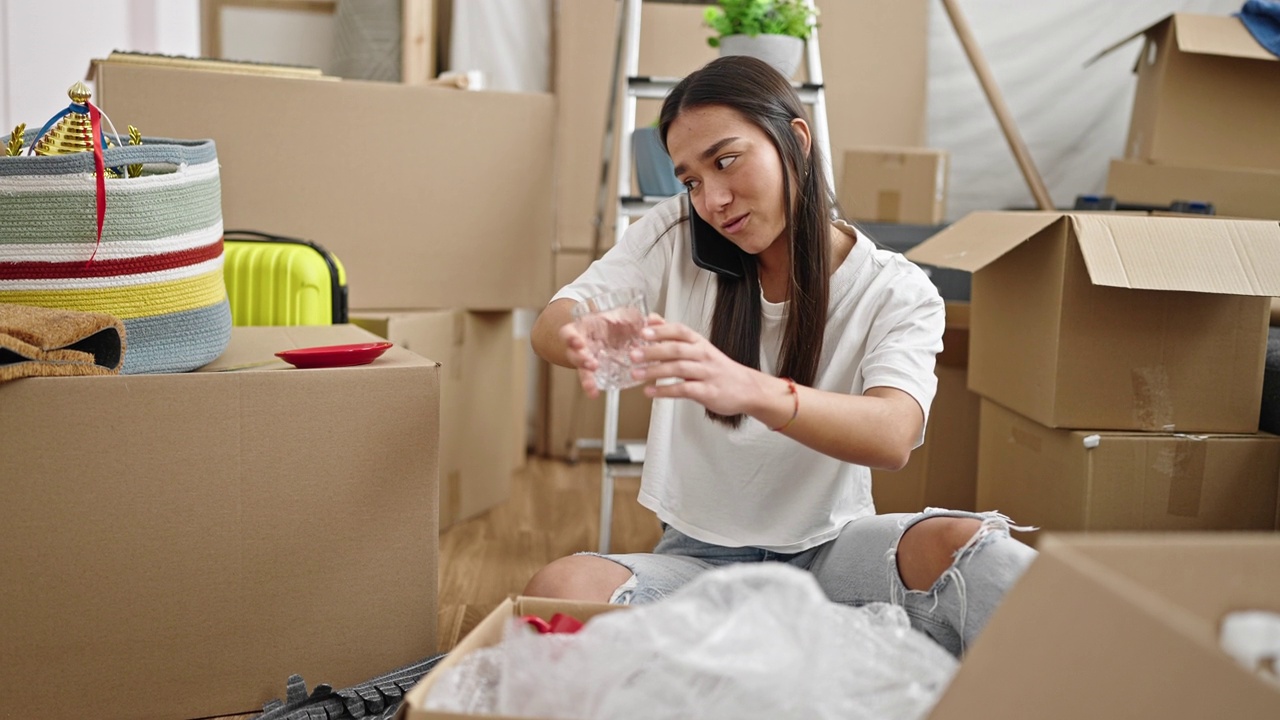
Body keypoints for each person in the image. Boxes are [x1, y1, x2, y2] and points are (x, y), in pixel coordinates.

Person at [525, 55, 1035, 657]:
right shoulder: (674, 235)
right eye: (690, 180)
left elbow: (894, 433)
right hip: (700, 566)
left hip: (835, 559)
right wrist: (595, 334)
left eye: (726, 160)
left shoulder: (896, 289)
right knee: (561, 590)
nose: (712, 199)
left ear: (794, 138)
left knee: (972, 546)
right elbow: (552, 323)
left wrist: (750, 389)